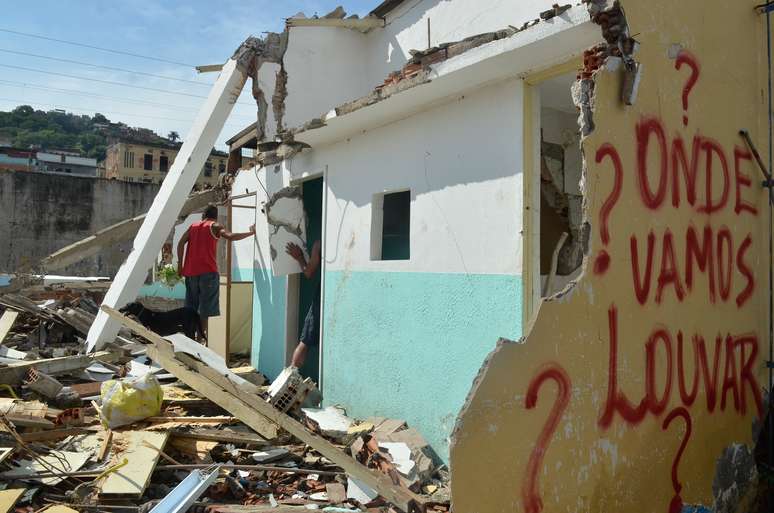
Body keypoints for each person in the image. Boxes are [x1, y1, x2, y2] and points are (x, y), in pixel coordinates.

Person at [177, 203, 255, 341]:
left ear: (203, 215)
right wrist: (251, 232)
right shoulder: (215, 226)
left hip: (190, 273)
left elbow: (180, 243)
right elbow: (230, 236)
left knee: (191, 309)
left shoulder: (193, 226)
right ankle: (200, 341)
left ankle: (190, 340)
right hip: (208, 273)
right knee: (204, 311)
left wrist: (180, 265)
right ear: (215, 216)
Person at [286, 240, 321, 368]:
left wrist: (299, 257)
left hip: (322, 297)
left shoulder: (319, 244)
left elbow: (308, 272)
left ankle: (290, 380)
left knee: (305, 341)